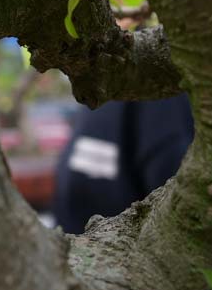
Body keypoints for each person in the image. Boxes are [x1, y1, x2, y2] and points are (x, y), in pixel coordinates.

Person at [52, 94, 194, 234]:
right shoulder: (165, 95)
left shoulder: (105, 87)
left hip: (70, 242)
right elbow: (182, 203)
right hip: (124, 246)